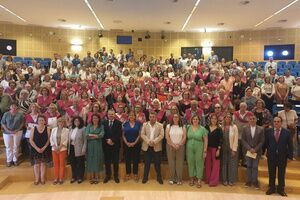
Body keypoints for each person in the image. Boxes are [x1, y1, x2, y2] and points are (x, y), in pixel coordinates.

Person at [265, 116, 293, 196]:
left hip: (282, 156)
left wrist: (290, 156)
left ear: (281, 123)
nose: (276, 123)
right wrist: (264, 153)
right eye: (275, 121)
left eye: (278, 121)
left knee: (281, 173)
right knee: (271, 173)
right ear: (273, 122)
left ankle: (281, 189)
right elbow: (266, 143)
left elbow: (290, 145)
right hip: (271, 156)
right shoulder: (268, 131)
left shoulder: (287, 132)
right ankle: (271, 188)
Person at [141, 111, 164, 184]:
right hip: (147, 146)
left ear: (156, 117)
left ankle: (159, 178)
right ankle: (145, 178)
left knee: (157, 164)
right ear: (149, 117)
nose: (152, 118)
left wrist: (154, 141)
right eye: (150, 117)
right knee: (147, 163)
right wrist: (148, 142)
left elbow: (161, 135)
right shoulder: (145, 124)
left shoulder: (160, 125)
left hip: (156, 146)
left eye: (153, 117)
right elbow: (142, 134)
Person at [242, 114, 264, 189]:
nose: (252, 120)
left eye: (253, 119)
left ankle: (255, 182)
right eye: (250, 119)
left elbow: (262, 141)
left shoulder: (261, 129)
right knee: (249, 166)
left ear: (256, 120)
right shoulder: (245, 128)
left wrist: (255, 149)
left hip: (256, 151)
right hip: (248, 151)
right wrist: (249, 148)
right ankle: (248, 182)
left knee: (255, 166)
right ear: (249, 120)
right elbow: (243, 140)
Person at [186, 115, 208, 188]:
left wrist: (205, 150)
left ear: (199, 120)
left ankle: (199, 179)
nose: (195, 120)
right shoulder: (188, 127)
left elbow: (205, 140)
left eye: (197, 119)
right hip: (189, 148)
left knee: (199, 163)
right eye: (194, 119)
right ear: (191, 120)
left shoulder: (202, 129)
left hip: (199, 147)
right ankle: (191, 178)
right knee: (190, 162)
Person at [1, 101, 24, 167]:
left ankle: (15, 160)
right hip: (7, 132)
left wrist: (17, 129)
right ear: (10, 107)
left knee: (16, 146)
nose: (13, 107)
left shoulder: (20, 114)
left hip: (17, 132)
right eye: (12, 106)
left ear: (17, 107)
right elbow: (3, 123)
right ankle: (9, 160)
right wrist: (8, 130)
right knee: (8, 147)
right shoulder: (6, 114)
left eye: (15, 106)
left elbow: (22, 123)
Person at [29, 115, 51, 185]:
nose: (41, 121)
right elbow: (31, 140)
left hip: (45, 149)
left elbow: (48, 140)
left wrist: (44, 147)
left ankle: (42, 178)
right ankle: (36, 179)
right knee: (36, 164)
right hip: (35, 149)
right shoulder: (33, 129)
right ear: (37, 121)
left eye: (42, 120)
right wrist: (36, 148)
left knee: (43, 164)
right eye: (39, 120)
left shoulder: (47, 129)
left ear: (45, 121)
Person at [165, 113, 186, 185]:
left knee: (179, 163)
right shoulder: (168, 126)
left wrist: (179, 144)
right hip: (170, 146)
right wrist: (173, 145)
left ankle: (179, 179)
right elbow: (167, 137)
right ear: (172, 118)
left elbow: (184, 137)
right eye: (174, 117)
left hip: (180, 146)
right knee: (171, 163)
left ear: (179, 118)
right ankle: (172, 178)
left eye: (177, 117)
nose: (175, 118)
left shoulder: (183, 126)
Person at [103, 109, 123, 183]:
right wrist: (107, 140)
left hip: (115, 145)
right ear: (107, 115)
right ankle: (107, 176)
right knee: (107, 161)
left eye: (112, 114)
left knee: (115, 162)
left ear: (114, 114)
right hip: (106, 145)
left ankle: (115, 176)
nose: (111, 115)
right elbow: (103, 133)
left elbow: (119, 134)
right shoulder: (103, 123)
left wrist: (112, 140)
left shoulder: (118, 123)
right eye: (109, 114)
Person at [122, 111, 142, 182]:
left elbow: (139, 134)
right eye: (130, 115)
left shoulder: (138, 123)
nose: (131, 116)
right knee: (127, 159)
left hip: (136, 144)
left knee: (136, 159)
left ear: (135, 116)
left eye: (132, 115)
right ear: (128, 116)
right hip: (127, 144)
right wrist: (127, 142)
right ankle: (128, 174)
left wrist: (134, 142)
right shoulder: (125, 124)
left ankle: (135, 174)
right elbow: (123, 135)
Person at [85, 114, 104, 184]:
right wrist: (96, 135)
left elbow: (101, 135)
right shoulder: (89, 126)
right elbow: (86, 135)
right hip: (90, 145)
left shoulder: (101, 126)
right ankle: (92, 177)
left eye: (96, 118)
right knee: (91, 160)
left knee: (97, 159)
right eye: (93, 118)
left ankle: (96, 177)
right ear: (91, 119)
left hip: (98, 145)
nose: (95, 119)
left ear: (98, 119)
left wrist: (92, 135)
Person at [50, 117, 69, 185]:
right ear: (57, 123)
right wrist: (54, 146)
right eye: (59, 122)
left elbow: (66, 139)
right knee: (55, 164)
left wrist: (60, 147)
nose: (61, 123)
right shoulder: (53, 129)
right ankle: (56, 178)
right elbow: (51, 138)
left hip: (62, 149)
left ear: (64, 123)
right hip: (54, 149)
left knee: (62, 164)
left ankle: (61, 178)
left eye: (62, 122)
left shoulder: (66, 130)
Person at [205, 114, 222, 187]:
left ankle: (213, 181)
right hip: (207, 148)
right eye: (212, 118)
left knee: (216, 165)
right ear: (210, 119)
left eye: (215, 119)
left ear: (217, 120)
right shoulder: (206, 127)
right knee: (207, 164)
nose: (213, 120)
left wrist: (219, 149)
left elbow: (221, 140)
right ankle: (208, 179)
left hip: (215, 149)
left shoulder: (219, 129)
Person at [221, 113, 239, 186]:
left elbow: (236, 139)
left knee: (232, 164)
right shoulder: (221, 127)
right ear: (224, 119)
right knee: (224, 164)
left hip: (231, 148)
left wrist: (234, 149)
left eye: (229, 117)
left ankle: (231, 180)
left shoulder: (234, 127)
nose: (228, 119)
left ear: (231, 119)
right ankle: (224, 180)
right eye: (226, 117)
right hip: (223, 148)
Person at [69, 116, 86, 184]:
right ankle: (74, 176)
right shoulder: (71, 128)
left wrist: (84, 149)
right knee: (73, 163)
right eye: (75, 121)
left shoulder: (83, 129)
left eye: (78, 121)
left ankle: (80, 177)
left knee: (80, 163)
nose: (76, 122)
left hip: (80, 148)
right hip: (72, 148)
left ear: (80, 121)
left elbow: (85, 140)